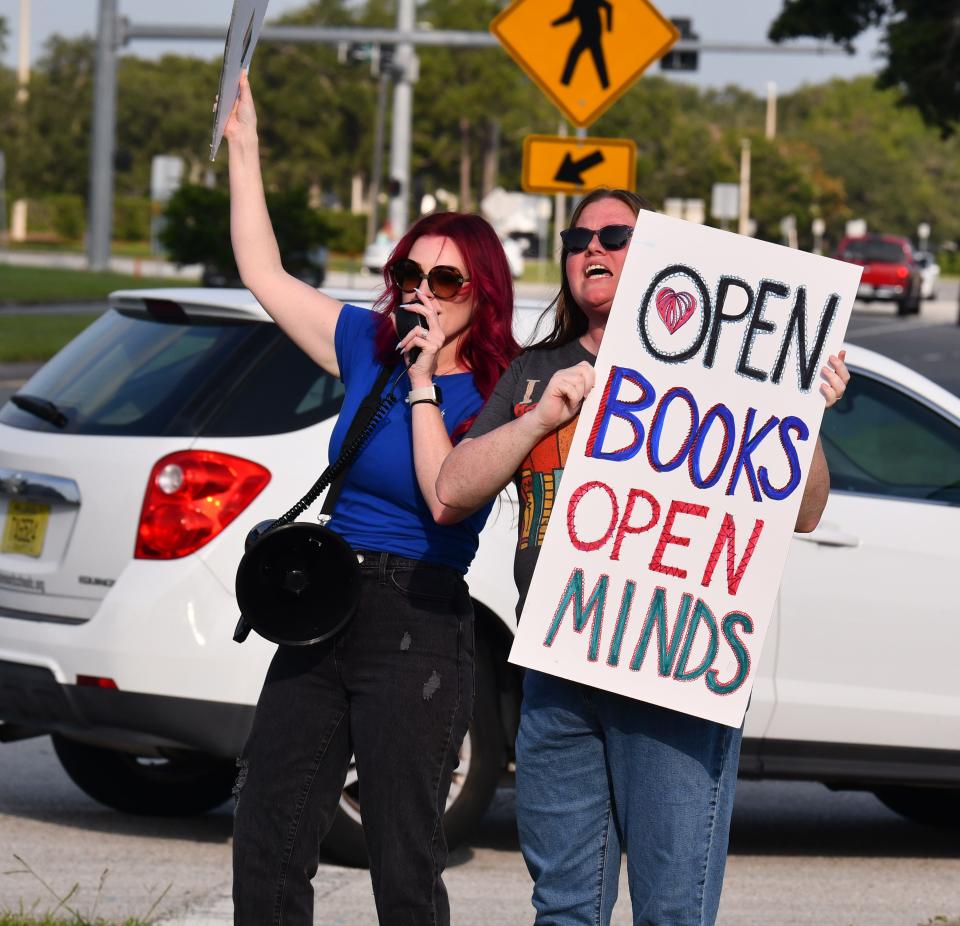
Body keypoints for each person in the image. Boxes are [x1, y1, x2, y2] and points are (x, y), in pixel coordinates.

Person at [436, 187, 850, 925]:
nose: (590, 248)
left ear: (658, 255)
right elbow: (452, 489)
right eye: (577, 238)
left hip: (670, 673)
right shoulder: (534, 372)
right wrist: (540, 419)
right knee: (563, 907)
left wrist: (803, 409)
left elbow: (808, 508)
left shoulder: (725, 370)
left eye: (615, 235)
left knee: (669, 911)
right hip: (558, 672)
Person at [224, 71, 519, 926]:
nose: (421, 289)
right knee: (270, 828)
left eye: (447, 280)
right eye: (409, 271)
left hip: (418, 619)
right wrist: (245, 146)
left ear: (481, 297)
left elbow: (446, 499)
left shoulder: (496, 398)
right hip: (327, 603)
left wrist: (426, 382)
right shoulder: (368, 344)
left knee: (403, 854)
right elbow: (262, 271)